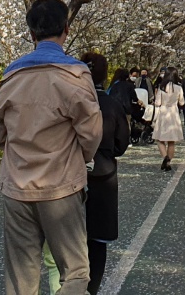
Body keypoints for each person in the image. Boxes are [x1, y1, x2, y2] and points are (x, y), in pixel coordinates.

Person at [0, 0, 102, 295]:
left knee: (20, 277)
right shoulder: (75, 74)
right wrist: (81, 158)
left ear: (31, 34)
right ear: (66, 28)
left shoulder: (11, 75)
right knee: (75, 272)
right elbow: (91, 133)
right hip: (61, 185)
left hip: (16, 185)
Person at [81, 54, 131, 295]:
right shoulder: (111, 105)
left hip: (73, 173)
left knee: (71, 237)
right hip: (104, 173)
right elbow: (122, 143)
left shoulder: (74, 101)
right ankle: (92, 288)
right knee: (98, 239)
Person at [152, 71, 185, 171]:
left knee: (159, 139)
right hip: (174, 113)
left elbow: (157, 103)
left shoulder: (162, 88)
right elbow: (182, 102)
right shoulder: (179, 88)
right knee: (171, 141)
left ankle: (165, 157)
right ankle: (168, 162)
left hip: (163, 113)